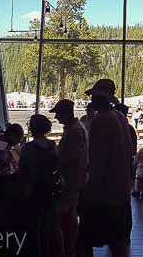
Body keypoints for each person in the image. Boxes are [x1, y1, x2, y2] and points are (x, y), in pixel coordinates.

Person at [78, 79, 133, 257]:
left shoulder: (101, 120)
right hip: (120, 189)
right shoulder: (120, 117)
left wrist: (90, 186)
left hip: (104, 193)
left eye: (94, 96)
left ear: (98, 98)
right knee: (116, 240)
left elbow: (97, 158)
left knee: (84, 241)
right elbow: (129, 151)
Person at [17, 114, 61, 257]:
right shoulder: (52, 146)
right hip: (51, 190)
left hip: (34, 191)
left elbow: (23, 171)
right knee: (50, 226)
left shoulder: (28, 149)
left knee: (35, 226)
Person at [50, 99, 88, 257]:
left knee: (67, 214)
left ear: (66, 113)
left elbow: (73, 157)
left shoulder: (73, 131)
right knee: (71, 213)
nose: (56, 118)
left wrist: (55, 160)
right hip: (76, 178)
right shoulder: (78, 127)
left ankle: (68, 248)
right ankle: (71, 248)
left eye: (58, 114)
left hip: (71, 179)